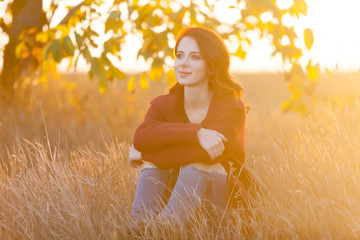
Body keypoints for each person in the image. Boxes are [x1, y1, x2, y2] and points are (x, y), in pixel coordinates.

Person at [128, 27, 251, 225]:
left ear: (212, 66)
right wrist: (197, 134)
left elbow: (207, 155)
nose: (183, 64)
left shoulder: (232, 107)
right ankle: (138, 228)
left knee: (198, 164)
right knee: (153, 167)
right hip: (175, 196)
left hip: (224, 205)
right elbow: (141, 137)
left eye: (195, 57)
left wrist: (144, 155)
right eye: (179, 55)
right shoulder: (163, 104)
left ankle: (164, 230)